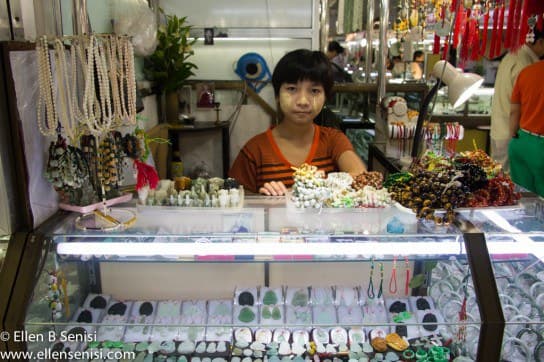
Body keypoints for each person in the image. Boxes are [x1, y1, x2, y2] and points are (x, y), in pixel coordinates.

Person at [229, 49, 366, 196]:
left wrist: (304, 190)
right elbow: (235, 196)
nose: (303, 101)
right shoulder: (255, 150)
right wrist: (265, 200)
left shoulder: (333, 141)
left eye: (314, 91)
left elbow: (360, 176)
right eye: (292, 89)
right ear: (277, 95)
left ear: (325, 97)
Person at [491, 27, 544, 173]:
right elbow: (521, 106)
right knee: (511, 184)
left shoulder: (511, 56)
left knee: (500, 178)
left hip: (499, 129)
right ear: (539, 42)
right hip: (514, 134)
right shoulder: (526, 64)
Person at [509, 59, 544, 197]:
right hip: (541, 145)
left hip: (521, 141)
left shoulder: (527, 72)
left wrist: (513, 134)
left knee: (521, 199)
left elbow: (514, 111)